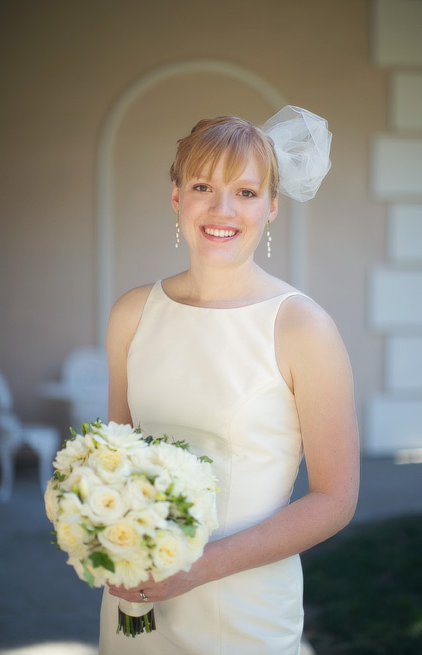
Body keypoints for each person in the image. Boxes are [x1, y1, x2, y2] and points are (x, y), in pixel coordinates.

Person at [99, 107, 359, 654]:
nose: (222, 209)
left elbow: (335, 498)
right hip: (136, 603)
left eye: (245, 192)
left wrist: (194, 569)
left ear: (272, 207)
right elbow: (115, 455)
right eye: (202, 186)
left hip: (244, 614)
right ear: (176, 198)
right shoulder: (131, 314)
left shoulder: (302, 327)